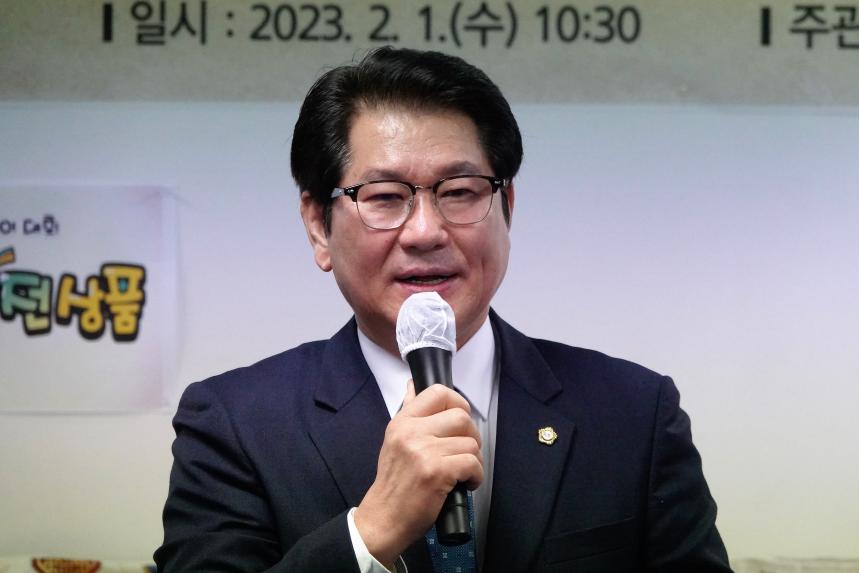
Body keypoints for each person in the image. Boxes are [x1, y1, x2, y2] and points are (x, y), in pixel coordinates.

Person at [155, 47, 732, 572]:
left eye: (459, 192)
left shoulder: (635, 412)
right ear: (318, 226)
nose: (426, 232)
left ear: (506, 206)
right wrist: (371, 532)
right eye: (384, 198)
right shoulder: (234, 424)